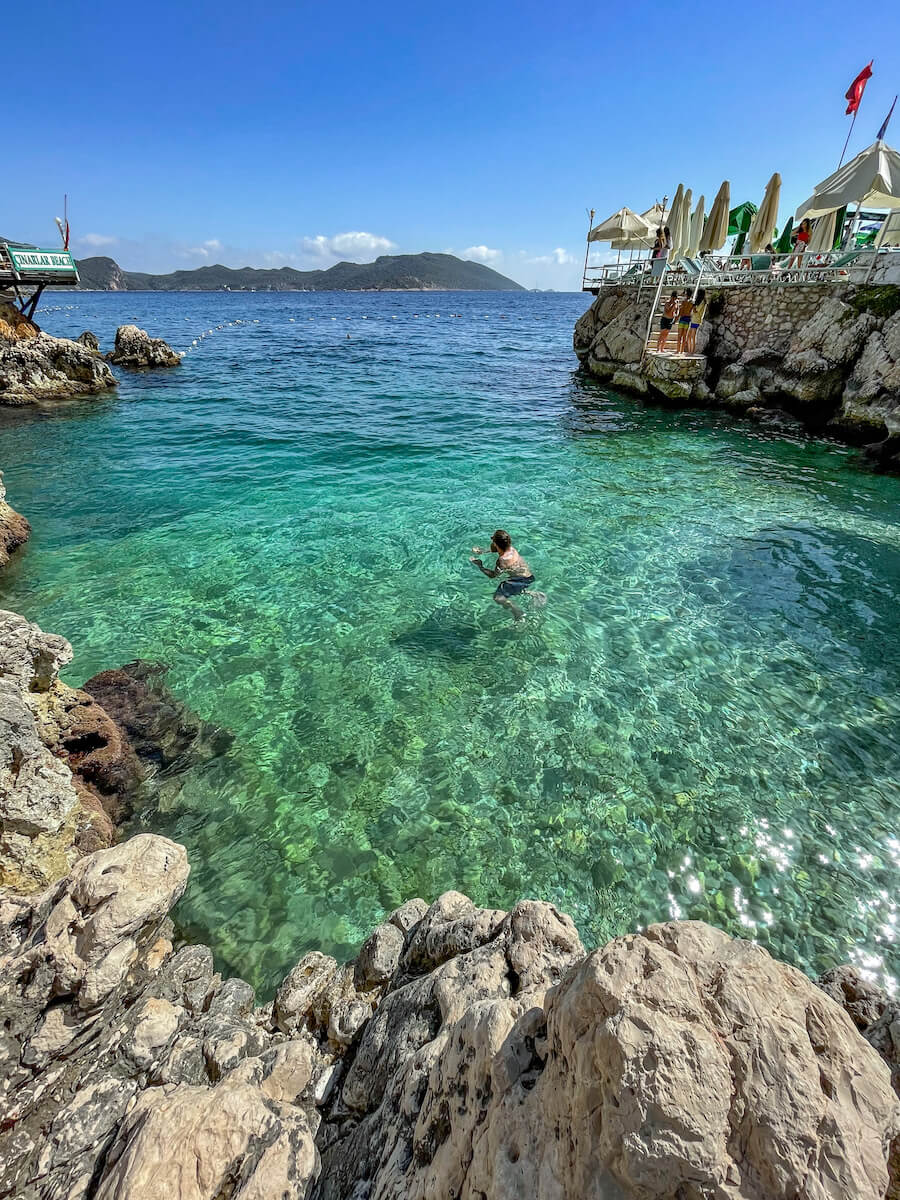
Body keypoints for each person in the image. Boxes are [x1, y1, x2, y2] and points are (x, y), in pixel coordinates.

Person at [470, 530, 540, 623]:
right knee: (510, 586)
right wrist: (482, 551)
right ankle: (532, 593)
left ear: (495, 543)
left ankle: (517, 612)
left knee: (498, 598)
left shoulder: (502, 560)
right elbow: (497, 549)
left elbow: (493, 576)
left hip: (519, 581)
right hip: (529, 577)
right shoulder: (511, 549)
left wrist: (480, 566)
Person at [687, 288, 706, 353]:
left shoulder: (702, 302)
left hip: (696, 320)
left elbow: (696, 311)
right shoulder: (700, 301)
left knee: (692, 337)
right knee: (689, 336)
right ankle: (690, 351)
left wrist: (693, 305)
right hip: (693, 320)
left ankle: (692, 351)